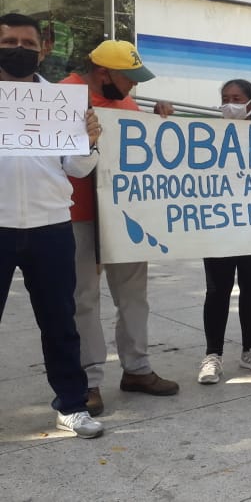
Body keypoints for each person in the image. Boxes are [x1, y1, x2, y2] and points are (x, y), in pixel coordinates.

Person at [60, 39, 179, 415]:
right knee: (84, 298)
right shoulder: (63, 95)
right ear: (102, 73)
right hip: (78, 215)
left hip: (125, 216)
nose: (135, 86)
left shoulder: (127, 102)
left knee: (133, 295)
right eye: (129, 78)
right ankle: (89, 380)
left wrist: (157, 124)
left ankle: (137, 368)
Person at [0, 13, 103, 437]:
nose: (19, 49)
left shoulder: (61, 100)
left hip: (51, 226)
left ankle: (72, 404)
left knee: (60, 321)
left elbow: (78, 167)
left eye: (27, 42)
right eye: (9, 41)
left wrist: (90, 138)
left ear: (42, 49)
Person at [197, 80, 251, 384]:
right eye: (225, 98)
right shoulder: (207, 137)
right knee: (217, 290)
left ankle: (250, 350)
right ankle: (212, 355)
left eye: (237, 98)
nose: (230, 103)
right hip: (219, 225)